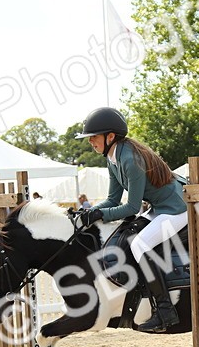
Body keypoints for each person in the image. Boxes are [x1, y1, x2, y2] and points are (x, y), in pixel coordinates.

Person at [75, 106, 186, 333]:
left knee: (140, 244)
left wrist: (100, 214)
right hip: (160, 207)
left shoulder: (130, 160)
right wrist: (90, 212)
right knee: (130, 237)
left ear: (110, 136)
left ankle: (165, 311)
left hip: (177, 208)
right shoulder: (112, 158)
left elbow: (131, 208)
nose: (91, 142)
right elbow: (112, 199)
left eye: (94, 137)